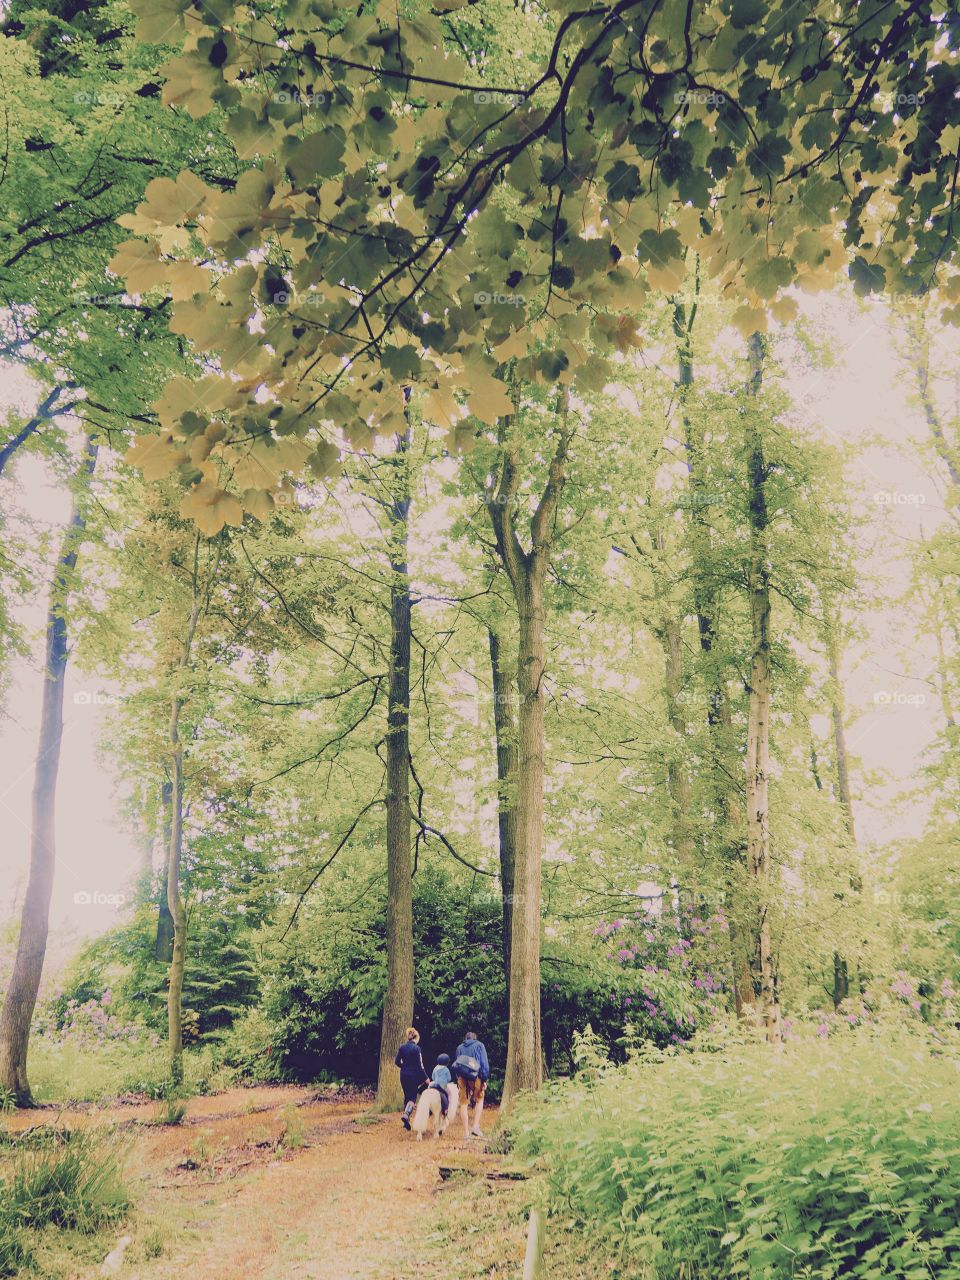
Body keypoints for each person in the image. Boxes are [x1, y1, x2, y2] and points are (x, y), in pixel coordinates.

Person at [451, 1029, 490, 1139]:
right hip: (476, 1076)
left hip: (462, 1078)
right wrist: (484, 1079)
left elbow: (457, 1064)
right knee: (479, 1099)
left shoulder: (459, 1048)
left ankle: (466, 1133)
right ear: (475, 1038)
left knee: (463, 1103)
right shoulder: (479, 1045)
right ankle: (475, 1127)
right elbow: (484, 1064)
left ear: (466, 1039)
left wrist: (458, 1079)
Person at [395, 1027, 428, 1130]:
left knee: (407, 1096)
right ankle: (406, 1115)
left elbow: (396, 1061)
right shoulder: (417, 1049)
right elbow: (420, 1066)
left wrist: (404, 1067)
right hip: (413, 1076)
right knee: (412, 1098)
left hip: (403, 1075)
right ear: (416, 1037)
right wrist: (426, 1078)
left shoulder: (402, 1047)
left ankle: (406, 1122)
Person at [426, 1052, 453, 1117]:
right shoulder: (446, 1069)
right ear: (447, 1063)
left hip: (435, 1085)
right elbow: (449, 1079)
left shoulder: (435, 1068)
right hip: (443, 1085)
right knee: (449, 1094)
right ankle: (446, 1109)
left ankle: (429, 1108)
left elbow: (433, 1077)